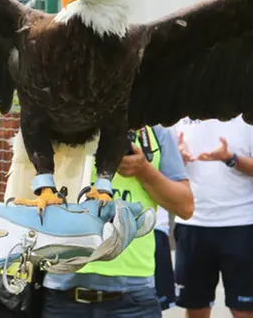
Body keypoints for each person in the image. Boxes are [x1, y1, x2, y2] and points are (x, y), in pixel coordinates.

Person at [36, 125, 194, 317]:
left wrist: (144, 170)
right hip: (63, 293)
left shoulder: (155, 134)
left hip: (133, 298)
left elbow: (185, 207)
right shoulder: (61, 124)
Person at [172, 116, 253, 318]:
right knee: (195, 309)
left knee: (243, 310)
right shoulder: (182, 109)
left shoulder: (248, 113)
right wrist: (176, 156)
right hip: (192, 223)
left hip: (237, 225)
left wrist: (231, 158)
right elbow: (161, 162)